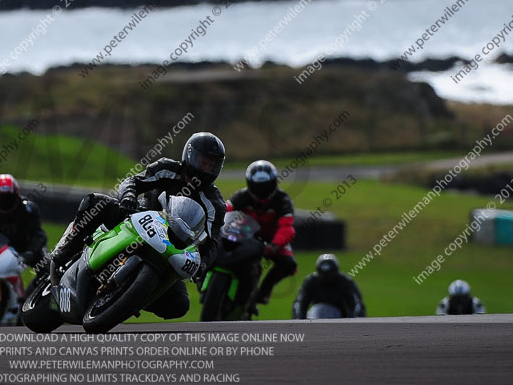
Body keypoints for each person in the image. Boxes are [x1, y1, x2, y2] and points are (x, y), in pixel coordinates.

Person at [50, 132, 227, 320]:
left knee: (179, 305)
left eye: (211, 165)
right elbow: (133, 181)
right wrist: (128, 197)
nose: (206, 168)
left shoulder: (215, 204)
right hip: (135, 220)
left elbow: (212, 242)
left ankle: (129, 297)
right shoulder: (167, 168)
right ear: (190, 156)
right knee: (95, 203)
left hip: (171, 249)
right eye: (202, 162)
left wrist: (202, 265)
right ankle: (61, 254)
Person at [227, 160, 296, 306]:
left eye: (266, 187)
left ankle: (264, 291)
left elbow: (287, 228)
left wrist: (274, 246)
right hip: (246, 234)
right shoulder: (242, 196)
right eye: (258, 187)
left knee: (289, 264)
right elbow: (225, 210)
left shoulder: (282, 200)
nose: (262, 192)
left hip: (273, 238)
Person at [292, 254, 366, 319]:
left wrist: (355, 321)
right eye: (323, 274)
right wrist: (299, 321)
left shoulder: (345, 281)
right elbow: (300, 304)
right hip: (315, 318)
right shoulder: (311, 281)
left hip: (340, 321)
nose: (326, 277)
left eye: (329, 274)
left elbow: (357, 305)